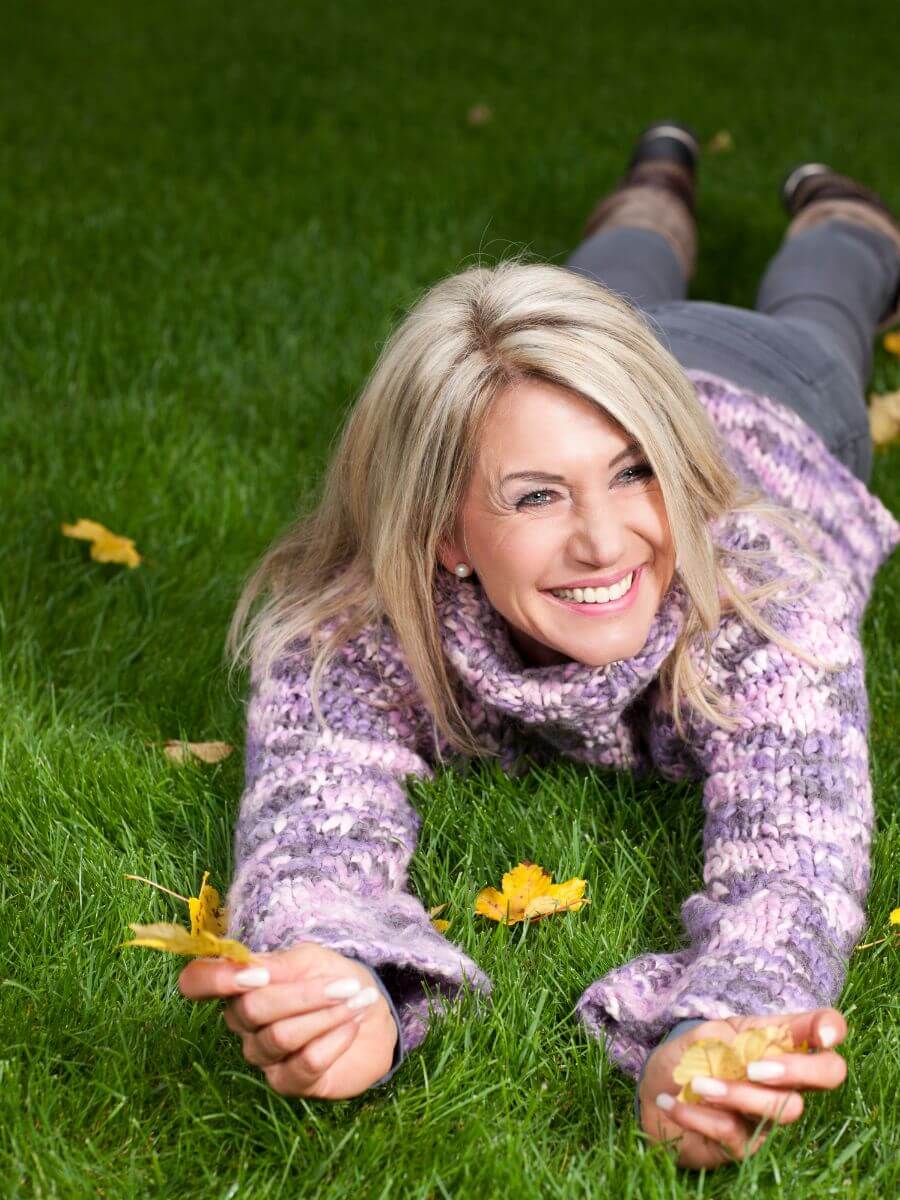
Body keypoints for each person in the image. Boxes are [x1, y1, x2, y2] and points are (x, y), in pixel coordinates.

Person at [178, 121, 900, 1169]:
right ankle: (658, 183)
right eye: (534, 497)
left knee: (823, 301)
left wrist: (716, 1034)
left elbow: (797, 855)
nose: (606, 541)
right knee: (615, 265)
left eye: (631, 476)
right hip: (595, 364)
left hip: (771, 390)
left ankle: (841, 210)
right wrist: (343, 974)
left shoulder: (766, 590)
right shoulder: (360, 618)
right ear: (443, 533)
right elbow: (313, 818)